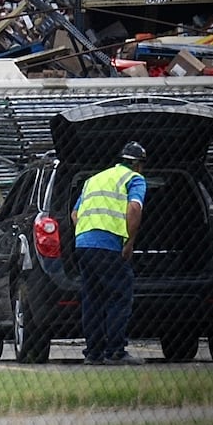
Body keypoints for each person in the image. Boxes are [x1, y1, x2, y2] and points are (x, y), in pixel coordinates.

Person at [73, 140, 148, 366]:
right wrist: (129, 242)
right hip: (108, 244)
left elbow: (74, 214)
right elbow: (134, 208)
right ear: (137, 164)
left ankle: (94, 353)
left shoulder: (93, 180)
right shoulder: (135, 179)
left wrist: (86, 233)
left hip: (83, 244)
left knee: (92, 299)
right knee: (119, 295)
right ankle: (116, 350)